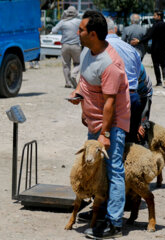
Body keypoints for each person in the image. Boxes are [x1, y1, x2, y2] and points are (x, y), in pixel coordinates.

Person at [68, 10, 130, 239]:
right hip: (93, 120)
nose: (77, 32)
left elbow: (111, 103)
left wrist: (105, 133)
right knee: (93, 167)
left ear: (92, 34)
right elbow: (84, 80)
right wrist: (77, 93)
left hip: (110, 123)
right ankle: (97, 210)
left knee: (113, 169)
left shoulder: (110, 63)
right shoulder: (87, 51)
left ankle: (114, 224)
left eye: (81, 30)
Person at [105, 18, 142, 144]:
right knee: (130, 142)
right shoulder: (130, 49)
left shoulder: (100, 48)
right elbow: (137, 73)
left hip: (112, 98)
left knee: (109, 140)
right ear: (115, 29)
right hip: (133, 97)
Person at [131, 10, 165, 88]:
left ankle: (159, 82)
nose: (153, 17)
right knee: (163, 64)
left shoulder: (155, 26)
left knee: (156, 64)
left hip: (155, 48)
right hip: (164, 48)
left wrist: (139, 41)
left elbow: (148, 36)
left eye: (154, 15)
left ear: (159, 16)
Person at [51, 6, 81, 88]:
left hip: (65, 46)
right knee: (78, 63)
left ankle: (68, 83)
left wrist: (62, 17)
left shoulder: (62, 22)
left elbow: (53, 31)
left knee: (66, 65)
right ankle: (74, 75)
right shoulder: (79, 21)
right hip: (76, 46)